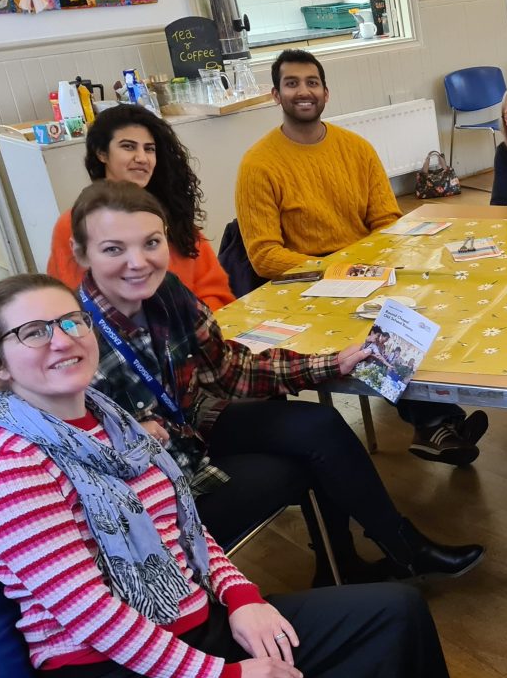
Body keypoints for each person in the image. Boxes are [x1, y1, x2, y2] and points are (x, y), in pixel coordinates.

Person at [0, 272, 473, 678]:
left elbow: (186, 534)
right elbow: (91, 617)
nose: (62, 339)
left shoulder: (111, 419)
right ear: (0, 367)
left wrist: (242, 599)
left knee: (395, 615)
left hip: (197, 626)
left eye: (71, 321)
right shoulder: (12, 465)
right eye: (33, 331)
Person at [69, 179, 483, 587]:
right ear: (81, 254)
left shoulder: (169, 291)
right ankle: (350, 566)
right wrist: (128, 444)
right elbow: (60, 456)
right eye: (113, 249)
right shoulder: (69, 338)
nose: (138, 261)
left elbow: (228, 370)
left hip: (193, 424)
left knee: (318, 427)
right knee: (307, 459)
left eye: (151, 243)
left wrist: (332, 363)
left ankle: (396, 550)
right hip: (156, 485)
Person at [236, 48, 488, 465]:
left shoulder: (356, 148)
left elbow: (387, 220)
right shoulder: (258, 165)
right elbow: (264, 256)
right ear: (275, 96)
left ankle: (442, 420)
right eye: (292, 84)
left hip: (367, 270)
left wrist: (369, 267)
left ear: (326, 93)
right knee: (384, 332)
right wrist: (333, 271)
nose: (303, 91)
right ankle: (436, 424)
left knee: (426, 312)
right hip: (304, 285)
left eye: (312, 83)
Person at [47, 104, 234, 311]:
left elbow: (215, 291)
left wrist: (189, 328)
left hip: (191, 331)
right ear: (101, 153)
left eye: (149, 149)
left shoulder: (171, 212)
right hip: (116, 338)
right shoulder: (74, 223)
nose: (142, 158)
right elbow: (72, 309)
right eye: (128, 146)